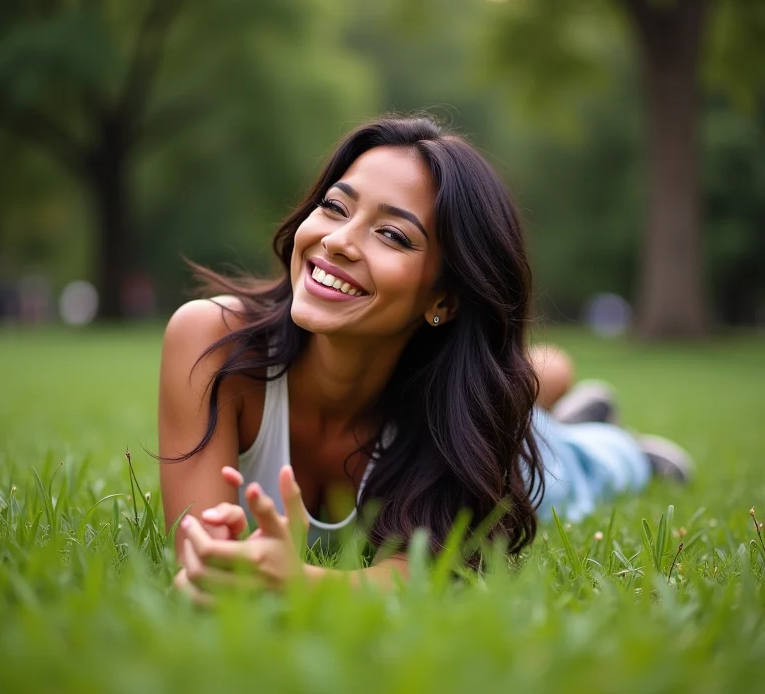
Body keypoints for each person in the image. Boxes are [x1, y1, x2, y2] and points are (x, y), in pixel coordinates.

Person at [159, 115, 691, 602]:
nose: (339, 241)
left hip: (510, 446)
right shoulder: (210, 339)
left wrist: (304, 583)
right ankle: (546, 397)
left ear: (444, 299)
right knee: (534, 383)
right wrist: (221, 566)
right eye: (335, 207)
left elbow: (437, 571)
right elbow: (202, 549)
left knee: (553, 471)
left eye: (392, 234)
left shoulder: (460, 420)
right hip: (476, 392)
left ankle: (612, 446)